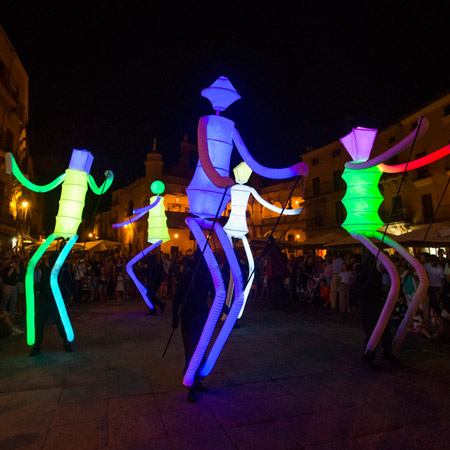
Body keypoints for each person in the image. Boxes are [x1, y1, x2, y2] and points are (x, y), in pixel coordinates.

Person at [172, 250, 212, 403]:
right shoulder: (189, 274)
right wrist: (175, 318)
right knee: (191, 349)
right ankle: (192, 386)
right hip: (190, 315)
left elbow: (214, 291)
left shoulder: (205, 274)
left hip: (200, 314)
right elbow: (178, 297)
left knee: (199, 348)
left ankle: (196, 381)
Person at [351, 255, 400, 368]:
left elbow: (378, 290)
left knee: (386, 331)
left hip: (378, 305)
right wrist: (355, 301)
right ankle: (369, 355)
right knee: (371, 332)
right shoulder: (364, 275)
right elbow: (355, 289)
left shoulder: (377, 274)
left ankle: (387, 352)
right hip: (367, 307)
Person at [30, 252, 73, 356]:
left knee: (60, 322)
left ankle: (66, 342)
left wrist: (70, 295)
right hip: (45, 300)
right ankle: (36, 345)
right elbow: (42, 283)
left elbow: (68, 283)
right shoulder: (44, 270)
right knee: (39, 322)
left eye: (49, 260)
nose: (47, 262)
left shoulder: (61, 270)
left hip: (56, 301)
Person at [2, 254, 20, 321]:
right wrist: (12, 268)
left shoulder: (14, 266)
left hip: (14, 285)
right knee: (5, 301)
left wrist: (16, 267)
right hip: (7, 286)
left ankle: (12, 315)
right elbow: (9, 275)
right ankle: (3, 315)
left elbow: (18, 272)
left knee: (13, 301)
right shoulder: (6, 267)